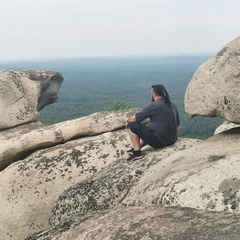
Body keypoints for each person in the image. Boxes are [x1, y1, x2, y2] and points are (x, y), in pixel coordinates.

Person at [126, 84, 180, 161]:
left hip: (160, 142)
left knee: (132, 126)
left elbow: (135, 118)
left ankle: (137, 153)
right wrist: (176, 138)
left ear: (154, 93)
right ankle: (136, 148)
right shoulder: (172, 104)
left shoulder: (154, 105)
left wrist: (128, 121)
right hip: (171, 140)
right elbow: (177, 124)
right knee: (149, 128)